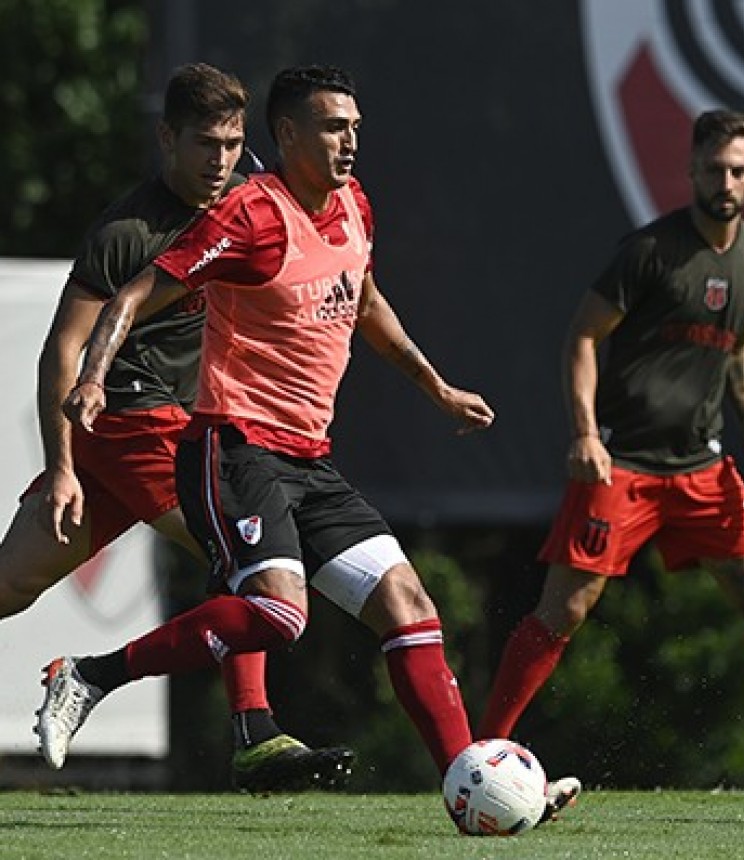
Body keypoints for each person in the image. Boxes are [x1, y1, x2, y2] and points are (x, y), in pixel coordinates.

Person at [41, 64, 580, 818]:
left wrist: (437, 386)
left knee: (409, 603)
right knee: (281, 612)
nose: (350, 140)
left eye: (355, 126)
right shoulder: (250, 217)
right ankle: (93, 675)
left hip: (308, 458)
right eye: (333, 126)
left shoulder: (354, 202)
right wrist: (94, 378)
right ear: (287, 134)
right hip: (232, 449)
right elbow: (135, 293)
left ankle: (473, 785)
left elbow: (363, 300)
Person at [477, 109, 744, 792]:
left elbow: (736, 348)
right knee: (564, 608)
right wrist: (586, 435)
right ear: (690, 171)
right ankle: (480, 756)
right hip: (621, 461)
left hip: (703, 466)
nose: (726, 180)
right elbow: (582, 338)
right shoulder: (649, 252)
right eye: (713, 168)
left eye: (738, 169)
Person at [2, 61, 352, 790]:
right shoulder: (130, 231)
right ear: (167, 139)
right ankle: (254, 735)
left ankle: (251, 732)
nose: (220, 160)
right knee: (255, 569)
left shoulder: (262, 200)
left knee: (10, 585)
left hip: (159, 438)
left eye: (230, 143)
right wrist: (62, 465)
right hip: (133, 420)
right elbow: (62, 350)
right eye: (204, 143)